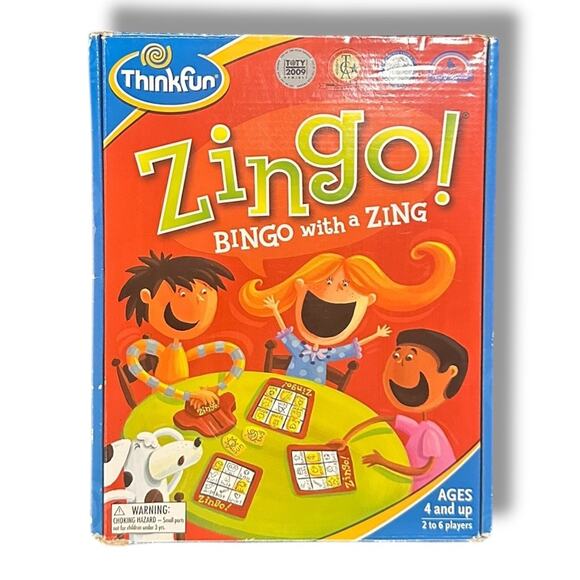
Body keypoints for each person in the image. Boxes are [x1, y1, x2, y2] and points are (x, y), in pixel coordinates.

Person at [238, 243, 455, 385]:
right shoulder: (300, 349)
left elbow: (350, 347)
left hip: (318, 400)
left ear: (369, 300)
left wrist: (377, 335)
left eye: (345, 285)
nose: (333, 291)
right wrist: (275, 310)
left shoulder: (326, 354)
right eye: (327, 282)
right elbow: (287, 334)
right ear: (300, 286)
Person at [330, 329, 468, 492]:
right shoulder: (420, 427)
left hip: (426, 491)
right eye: (396, 356)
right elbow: (383, 419)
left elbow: (424, 470)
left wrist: (383, 461)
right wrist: (346, 439)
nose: (400, 364)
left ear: (450, 373)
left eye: (409, 358)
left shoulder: (429, 432)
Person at [118, 251, 244, 408]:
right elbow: (157, 385)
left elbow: (235, 353)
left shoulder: (179, 353)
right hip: (162, 405)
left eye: (204, 292)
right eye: (183, 294)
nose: (199, 301)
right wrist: (190, 395)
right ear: (147, 297)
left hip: (186, 401)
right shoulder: (144, 349)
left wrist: (220, 386)